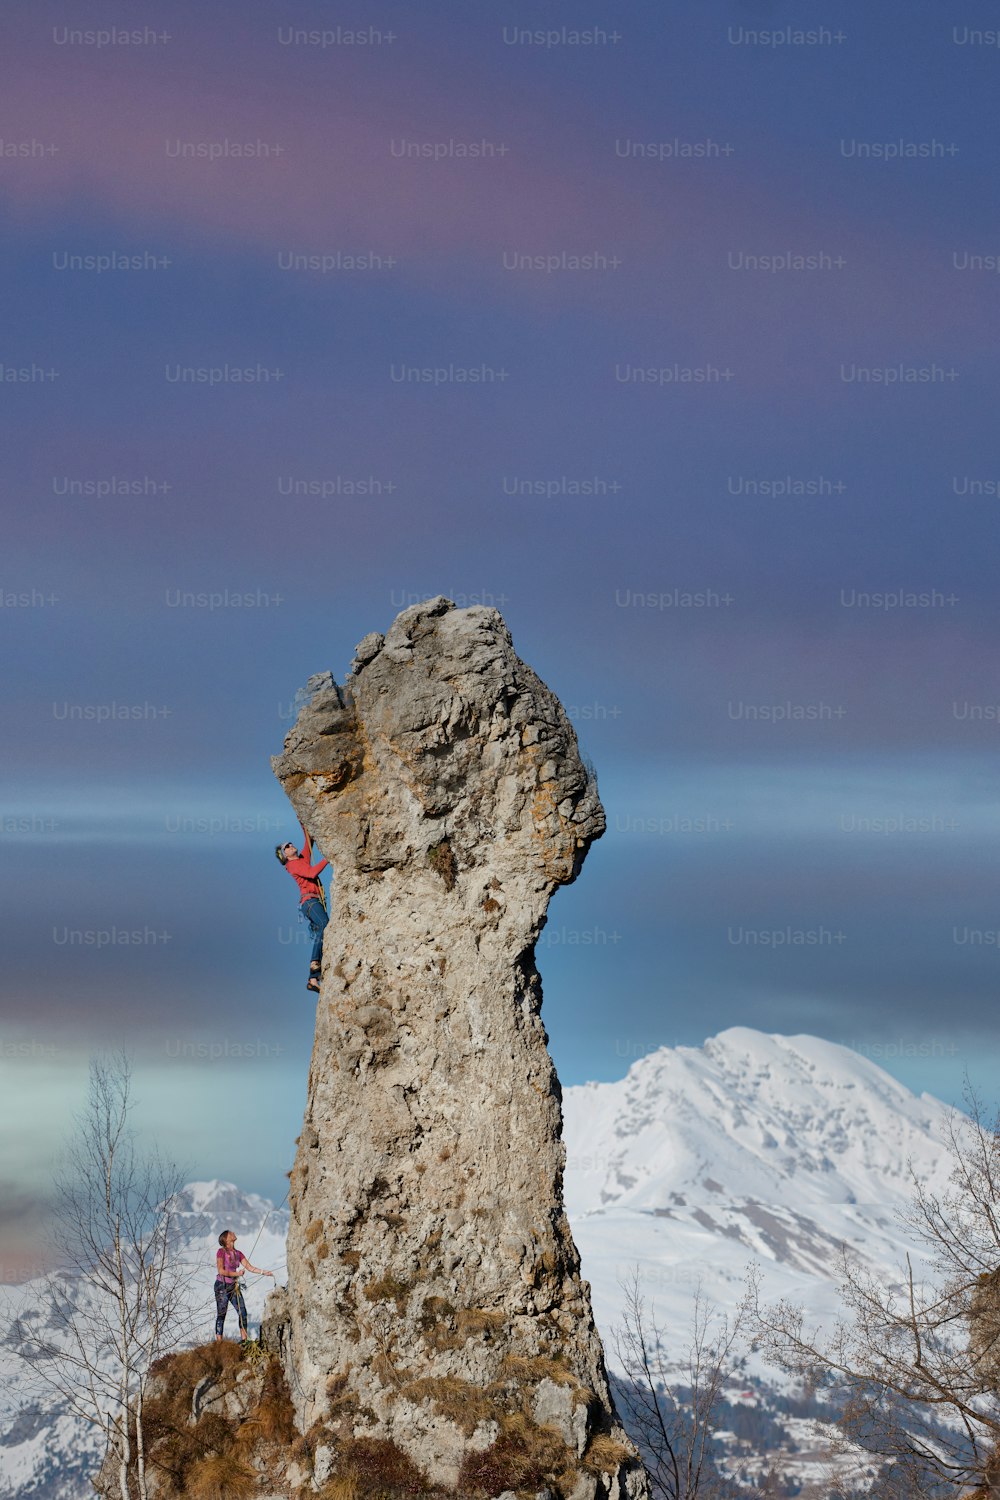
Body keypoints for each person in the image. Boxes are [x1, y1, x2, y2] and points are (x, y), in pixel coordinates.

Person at [275, 821, 329, 993]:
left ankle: (313, 979)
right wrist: (329, 858)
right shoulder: (293, 865)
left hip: (312, 902)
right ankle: (314, 962)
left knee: (322, 932)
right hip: (310, 902)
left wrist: (303, 823)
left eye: (290, 844)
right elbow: (312, 873)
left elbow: (309, 841)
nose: (291, 846)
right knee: (325, 926)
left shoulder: (301, 859)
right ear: (285, 855)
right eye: (287, 847)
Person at [214, 1229, 273, 1343]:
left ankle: (244, 1341)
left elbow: (249, 1267)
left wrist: (263, 1272)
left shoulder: (238, 1253)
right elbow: (221, 1270)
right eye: (230, 1233)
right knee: (222, 1314)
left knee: (243, 1312)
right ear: (226, 1239)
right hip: (221, 1285)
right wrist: (236, 1274)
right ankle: (219, 1345)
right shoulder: (220, 1252)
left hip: (232, 1286)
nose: (233, 1232)